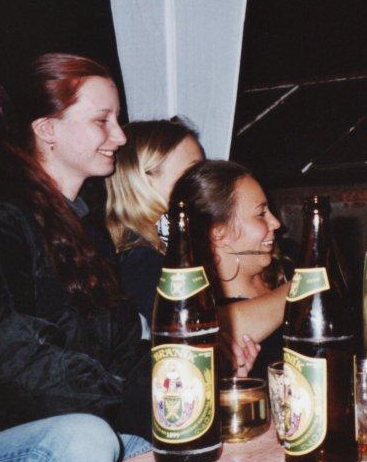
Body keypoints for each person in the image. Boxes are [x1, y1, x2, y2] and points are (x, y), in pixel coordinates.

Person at [0, 53, 152, 462]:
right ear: (47, 129)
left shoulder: (86, 231)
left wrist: (188, 381)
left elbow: (124, 351)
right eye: (102, 120)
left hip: (59, 421)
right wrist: (133, 401)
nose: (119, 136)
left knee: (179, 442)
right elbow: (13, 360)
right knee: (85, 439)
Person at [104, 119, 261, 377]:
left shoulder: (167, 249)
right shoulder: (139, 259)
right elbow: (197, 331)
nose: (202, 182)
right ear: (142, 178)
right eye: (192, 172)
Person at [175, 160, 289, 380]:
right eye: (261, 214)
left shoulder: (287, 268)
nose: (276, 223)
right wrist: (306, 284)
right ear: (219, 233)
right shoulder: (201, 308)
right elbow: (213, 331)